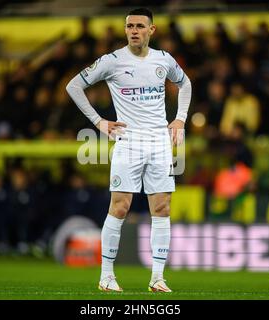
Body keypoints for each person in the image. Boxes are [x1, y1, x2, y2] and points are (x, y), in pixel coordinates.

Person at [66, 8, 192, 293]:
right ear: (125, 30)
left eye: (139, 26)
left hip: (160, 142)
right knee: (120, 207)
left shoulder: (164, 60)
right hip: (129, 142)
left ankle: (157, 278)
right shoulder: (112, 61)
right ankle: (106, 276)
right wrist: (98, 121)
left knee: (161, 208)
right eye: (129, 26)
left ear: (152, 30)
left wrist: (181, 118)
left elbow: (185, 84)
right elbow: (73, 86)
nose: (134, 30)